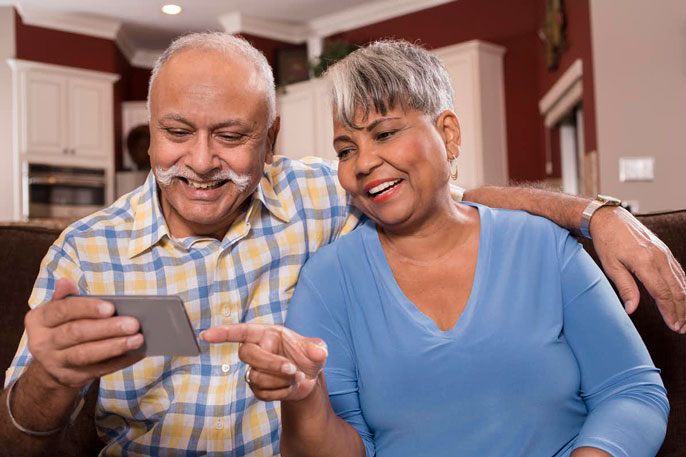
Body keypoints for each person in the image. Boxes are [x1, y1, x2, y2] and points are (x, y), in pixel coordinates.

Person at [0, 32, 681, 456]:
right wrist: (48, 383)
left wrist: (594, 213)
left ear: (269, 144)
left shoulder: (324, 195)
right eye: (177, 132)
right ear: (151, 134)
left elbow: (447, 195)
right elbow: (15, 438)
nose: (201, 161)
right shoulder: (84, 252)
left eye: (231, 137)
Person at [201, 40, 670, 456]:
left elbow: (632, 391)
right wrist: (304, 400)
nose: (363, 163)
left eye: (385, 134)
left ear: (448, 134)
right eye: (345, 149)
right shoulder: (328, 279)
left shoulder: (544, 245)